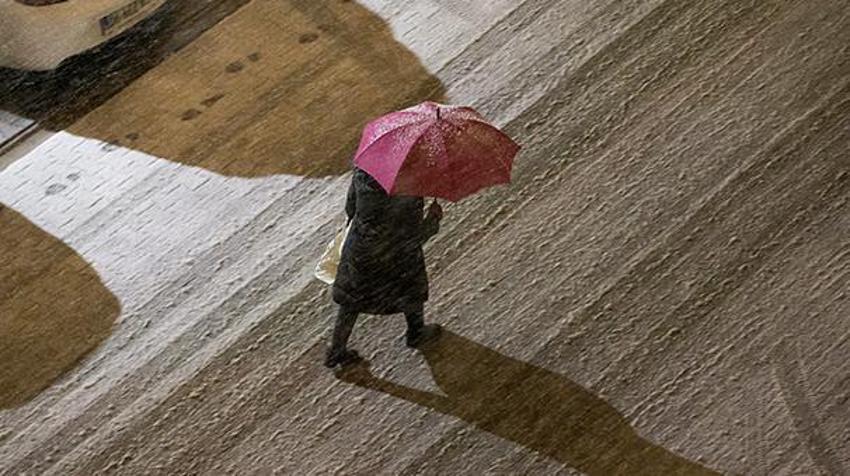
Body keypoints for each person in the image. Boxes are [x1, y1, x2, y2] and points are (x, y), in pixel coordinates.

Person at [326, 167, 444, 368]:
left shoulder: (364, 171)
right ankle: (416, 332)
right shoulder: (409, 185)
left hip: (360, 249)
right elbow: (413, 235)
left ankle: (336, 350)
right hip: (395, 255)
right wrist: (433, 221)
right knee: (411, 288)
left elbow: (350, 208)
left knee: (352, 299)